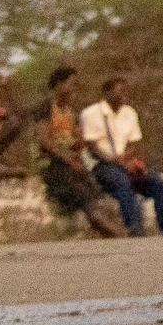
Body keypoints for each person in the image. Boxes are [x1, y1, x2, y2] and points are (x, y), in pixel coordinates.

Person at [80, 76, 163, 238]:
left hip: (125, 163)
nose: (124, 94)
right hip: (102, 165)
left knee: (159, 185)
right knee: (122, 182)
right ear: (107, 92)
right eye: (120, 91)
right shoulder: (91, 113)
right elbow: (92, 148)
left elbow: (135, 143)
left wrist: (132, 162)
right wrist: (115, 160)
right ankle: (133, 231)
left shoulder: (129, 112)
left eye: (126, 91)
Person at [36, 65, 126, 238]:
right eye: (71, 84)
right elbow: (45, 142)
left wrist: (79, 146)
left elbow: (70, 141)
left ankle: (109, 226)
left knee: (94, 183)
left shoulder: (68, 110)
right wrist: (69, 159)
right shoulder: (46, 107)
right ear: (59, 84)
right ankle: (108, 228)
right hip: (52, 165)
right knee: (78, 189)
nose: (73, 89)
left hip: (69, 161)